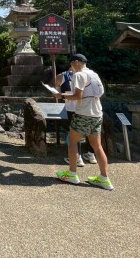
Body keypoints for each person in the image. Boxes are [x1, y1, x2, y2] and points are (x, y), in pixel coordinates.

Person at [53, 54, 113, 190]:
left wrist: (60, 95)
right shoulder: (94, 74)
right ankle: (104, 179)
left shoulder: (79, 75)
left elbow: (77, 96)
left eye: (71, 64)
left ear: (76, 62)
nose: (71, 67)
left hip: (84, 113)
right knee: (97, 146)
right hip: (97, 113)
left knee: (72, 141)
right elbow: (96, 93)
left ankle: (72, 174)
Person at [56, 64, 97, 167]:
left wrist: (61, 95)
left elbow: (57, 93)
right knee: (90, 132)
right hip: (89, 108)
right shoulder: (90, 75)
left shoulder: (62, 76)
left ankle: (78, 158)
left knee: (74, 134)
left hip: (72, 108)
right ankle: (91, 155)